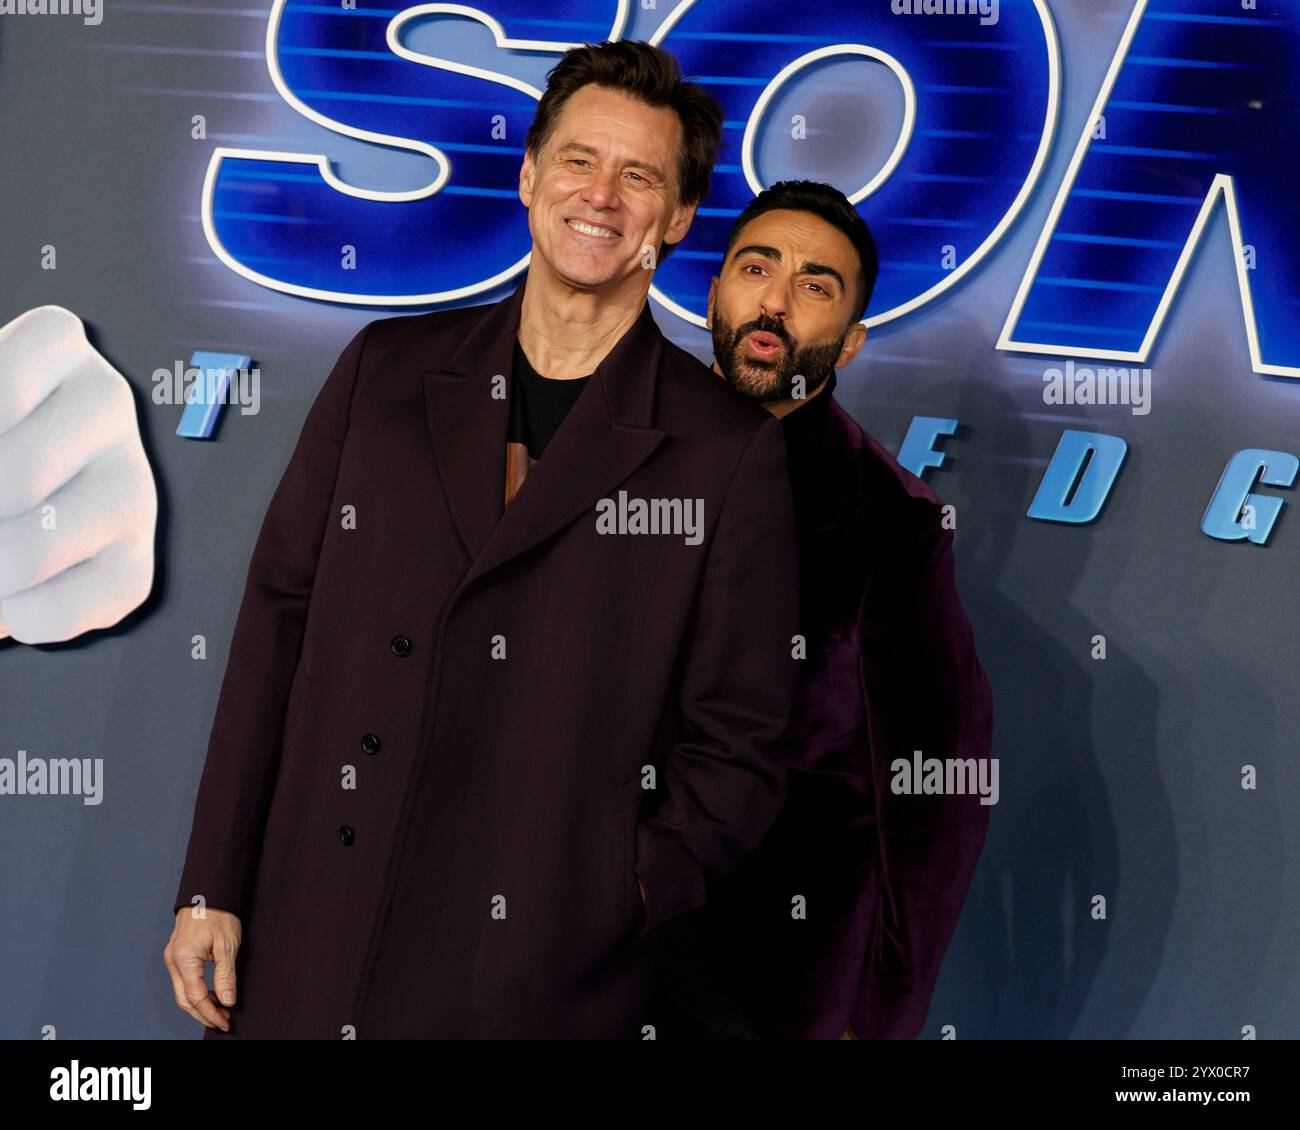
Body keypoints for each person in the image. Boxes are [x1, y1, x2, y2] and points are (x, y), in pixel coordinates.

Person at [163, 42, 801, 1040]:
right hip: (308, 935)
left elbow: (741, 743)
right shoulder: (385, 369)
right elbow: (275, 630)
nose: (602, 194)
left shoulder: (724, 454)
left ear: (676, 219)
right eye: (580, 160)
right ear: (529, 175)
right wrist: (213, 883)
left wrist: (609, 895)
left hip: (531, 987)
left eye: (639, 176)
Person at [651, 180, 994, 1040]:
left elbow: (934, 800)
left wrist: (875, 1010)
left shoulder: (893, 521)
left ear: (849, 342)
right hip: (565, 936)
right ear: (712, 295)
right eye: (755, 268)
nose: (774, 301)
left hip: (766, 969)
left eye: (815, 286)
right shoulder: (608, 455)